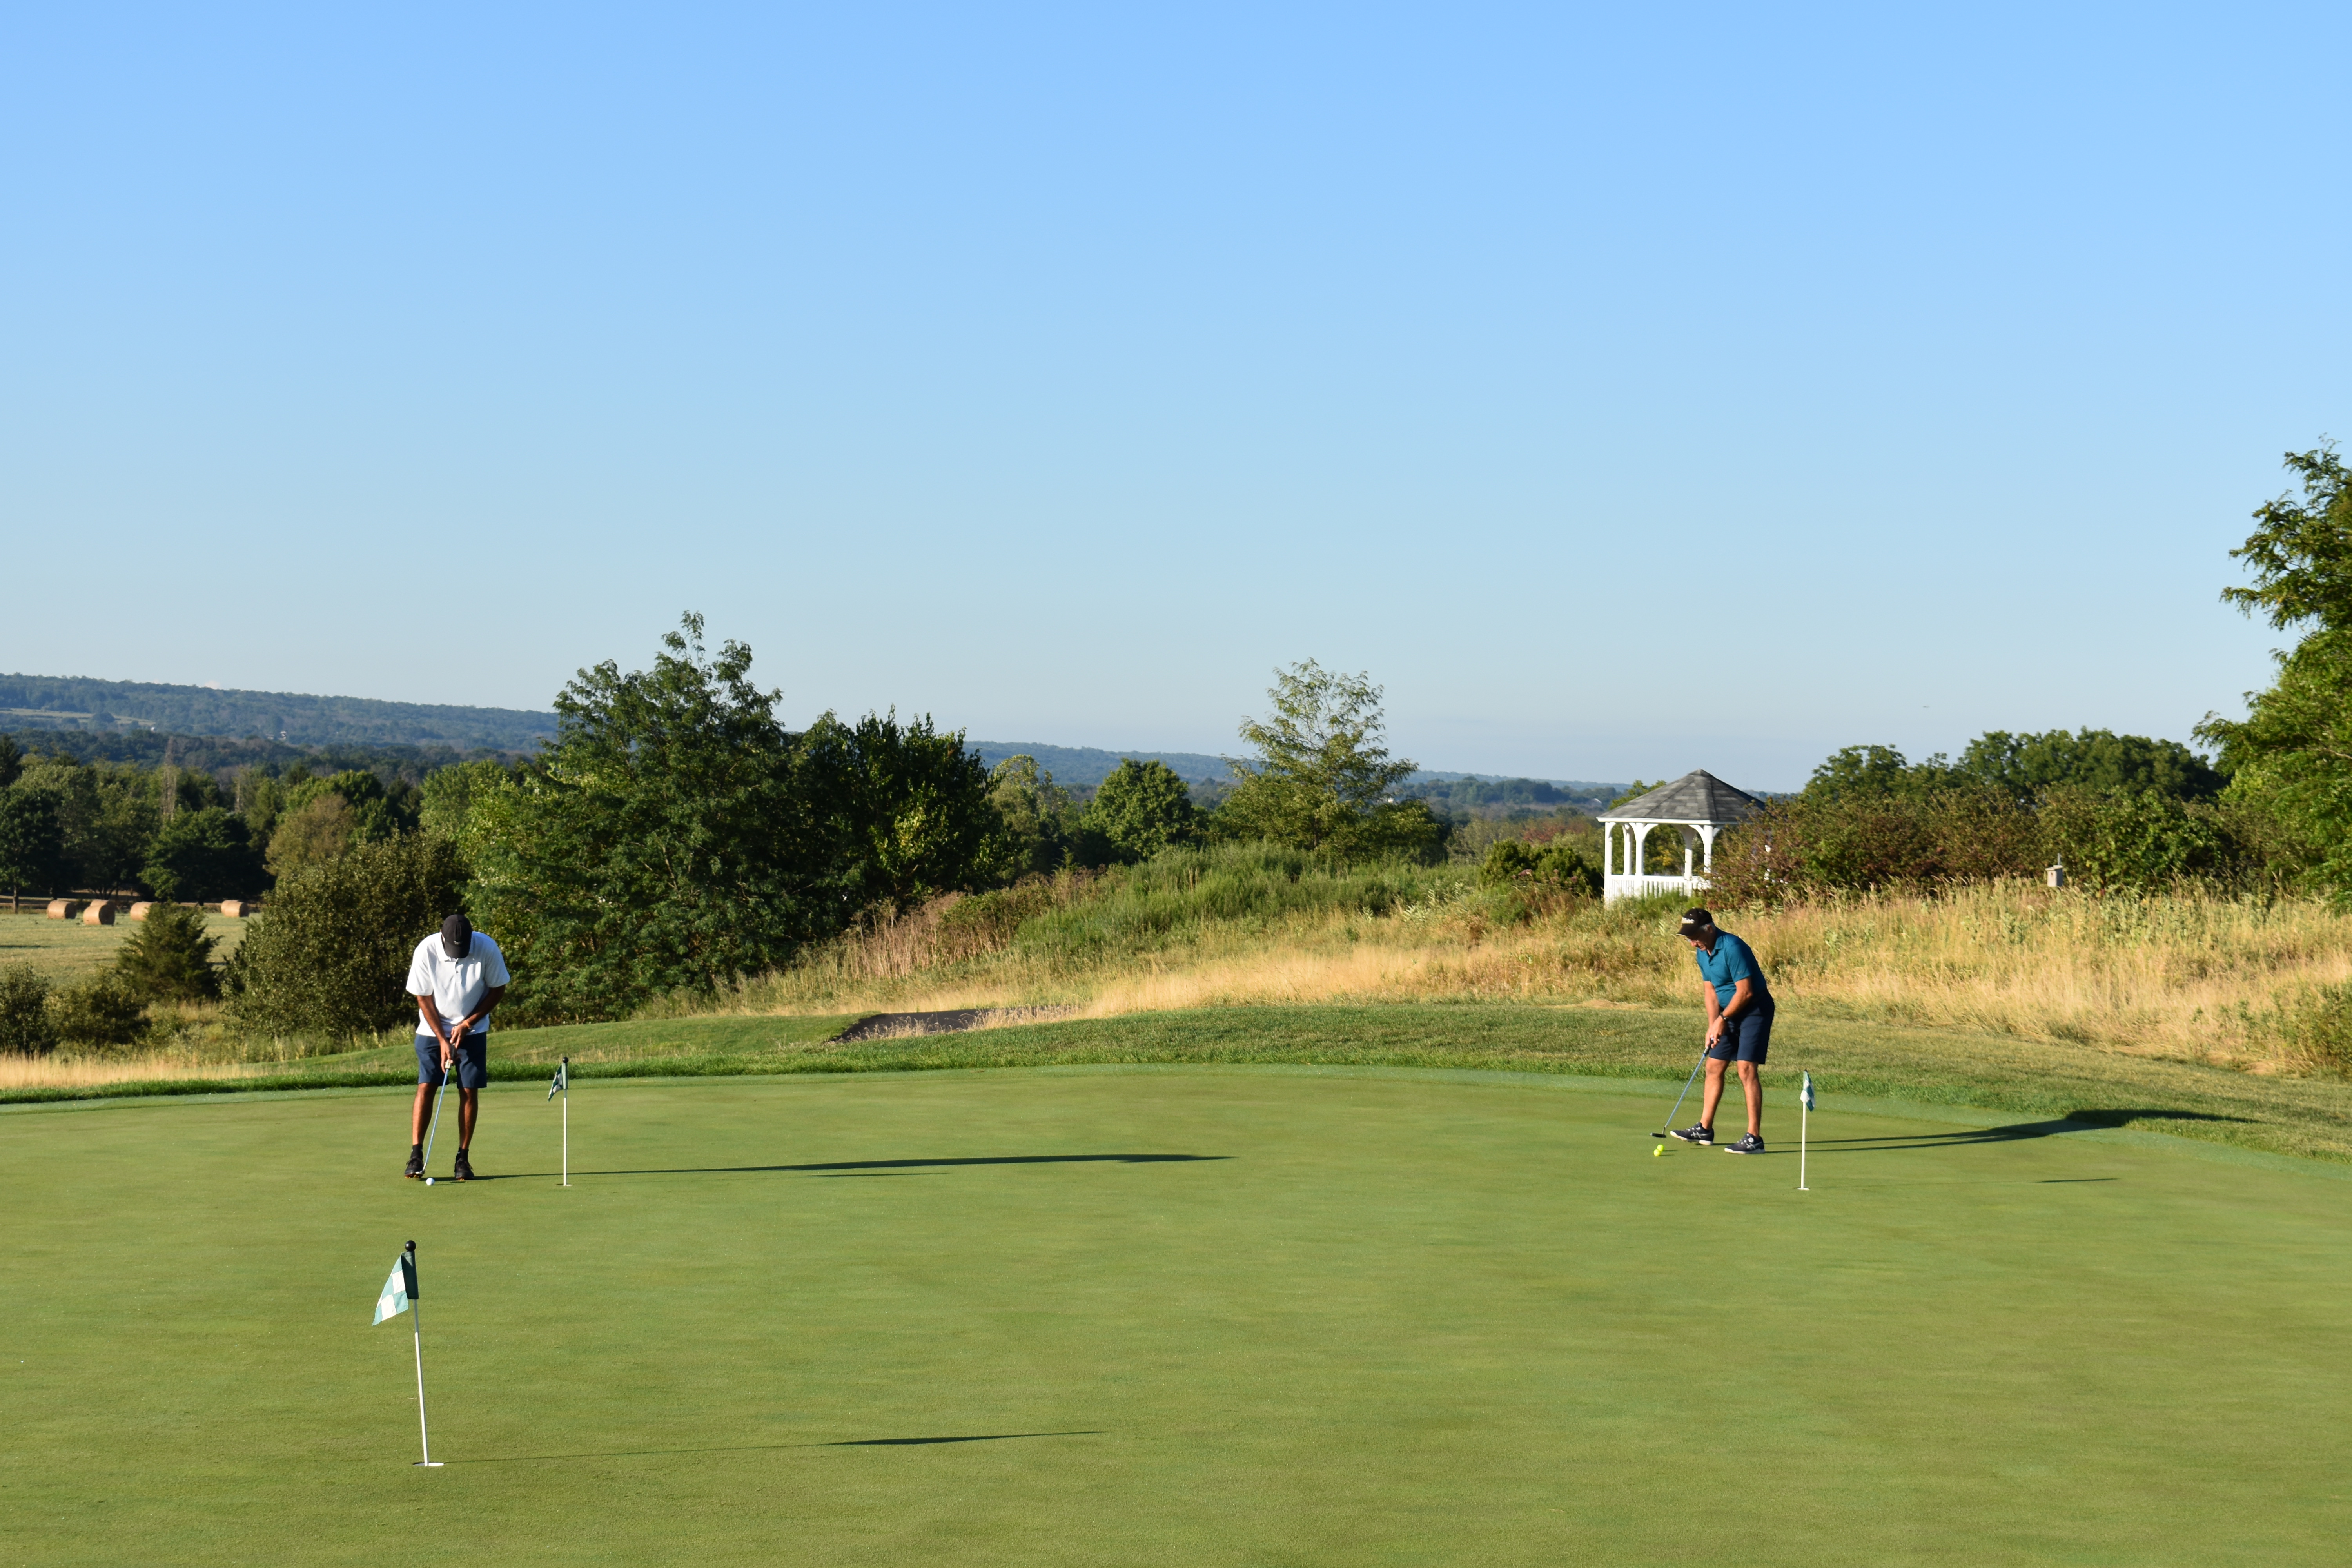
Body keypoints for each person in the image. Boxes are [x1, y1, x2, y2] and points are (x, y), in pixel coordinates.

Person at [404, 913, 510, 1181]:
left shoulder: (486, 947)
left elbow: (498, 988)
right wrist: (442, 1039)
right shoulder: (426, 950)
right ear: (442, 937)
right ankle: (416, 1154)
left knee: (468, 1090)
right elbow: (423, 996)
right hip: (432, 1030)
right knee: (426, 1086)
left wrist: (468, 1023)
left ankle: (463, 1158)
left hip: (473, 1030)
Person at [1668, 907, 1773, 1154]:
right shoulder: (1702, 953)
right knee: (1714, 1066)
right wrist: (1713, 1023)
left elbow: (1746, 992)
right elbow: (1711, 990)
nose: (1692, 942)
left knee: (1746, 1069)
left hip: (1754, 1010)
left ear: (1710, 928)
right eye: (1689, 937)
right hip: (1727, 1014)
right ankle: (1705, 1129)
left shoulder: (1733, 947)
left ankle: (1754, 1138)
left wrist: (1723, 1019)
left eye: (1695, 936)